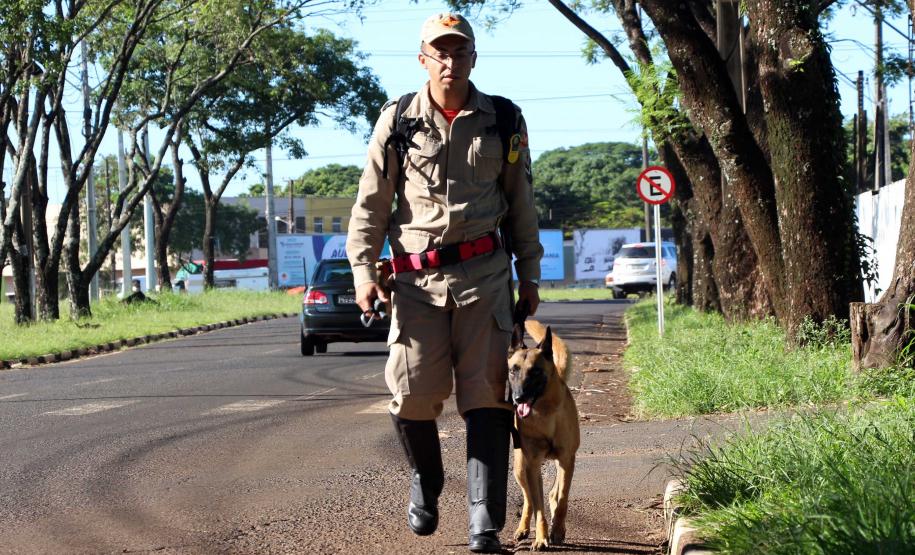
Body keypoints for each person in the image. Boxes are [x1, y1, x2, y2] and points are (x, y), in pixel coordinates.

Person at [346, 12, 543, 553]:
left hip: (484, 277)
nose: (450, 61)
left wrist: (529, 273)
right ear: (423, 59)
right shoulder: (399, 120)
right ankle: (427, 480)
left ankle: (485, 519)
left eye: (460, 52)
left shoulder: (502, 118)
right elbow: (370, 205)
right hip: (415, 282)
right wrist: (363, 270)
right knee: (411, 394)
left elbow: (521, 202)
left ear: (473, 59)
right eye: (441, 52)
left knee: (487, 396)